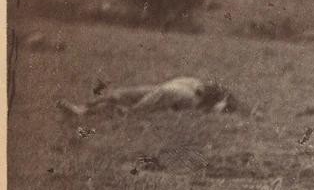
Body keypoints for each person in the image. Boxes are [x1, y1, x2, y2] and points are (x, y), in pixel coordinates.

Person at [58, 76, 237, 117]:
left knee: (127, 102)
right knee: (126, 101)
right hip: (179, 88)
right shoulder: (196, 89)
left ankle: (84, 110)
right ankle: (84, 109)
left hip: (178, 89)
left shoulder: (197, 91)